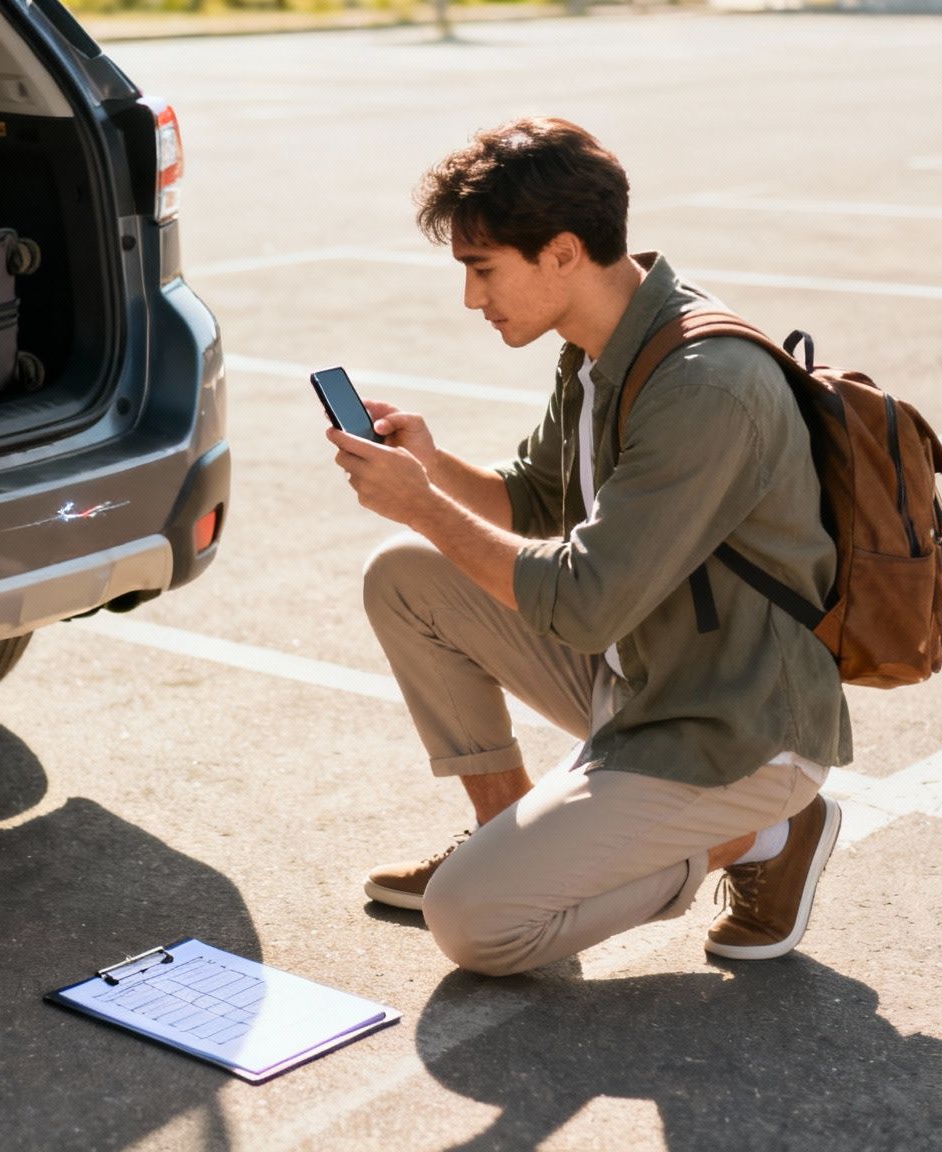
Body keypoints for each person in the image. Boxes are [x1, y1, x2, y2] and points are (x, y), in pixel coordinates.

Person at [326, 117, 851, 977]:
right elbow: (535, 503)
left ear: (562, 251)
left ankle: (760, 834)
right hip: (643, 676)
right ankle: (507, 837)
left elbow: (585, 600)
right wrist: (433, 468)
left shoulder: (705, 385)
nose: (471, 299)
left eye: (482, 269)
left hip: (730, 727)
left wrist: (422, 507)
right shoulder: (598, 344)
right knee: (406, 579)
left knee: (474, 926)